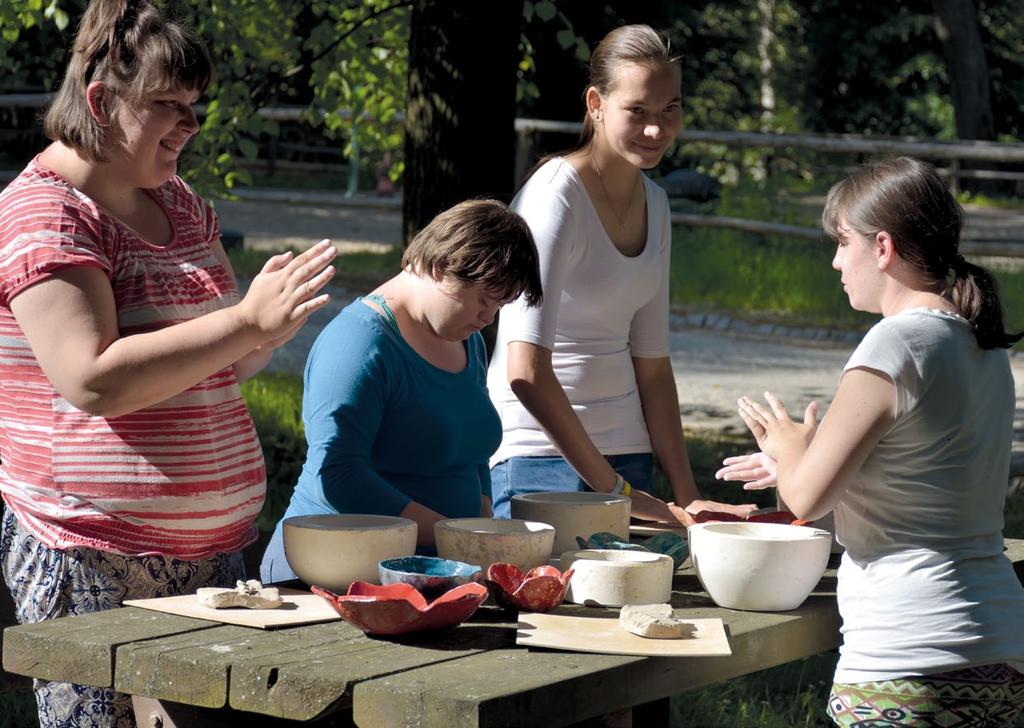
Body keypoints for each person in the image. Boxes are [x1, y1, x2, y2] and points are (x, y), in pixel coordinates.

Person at [0, 1, 336, 725]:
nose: (189, 124)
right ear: (100, 101)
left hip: (211, 555)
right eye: (168, 106)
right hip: (91, 554)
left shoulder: (179, 202)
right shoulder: (46, 212)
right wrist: (244, 321)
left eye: (195, 107)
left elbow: (223, 365)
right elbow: (91, 378)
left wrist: (265, 331)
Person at [722, 157, 1024, 726]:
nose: (836, 261)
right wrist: (797, 461)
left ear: (882, 246)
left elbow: (807, 501)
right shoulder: (981, 348)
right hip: (1000, 647)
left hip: (907, 659)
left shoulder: (894, 344)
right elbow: (915, 490)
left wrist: (792, 451)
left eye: (842, 242)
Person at [487, 24, 754, 523]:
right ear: (596, 104)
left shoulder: (657, 201)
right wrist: (617, 491)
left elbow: (652, 367)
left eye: (669, 109)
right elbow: (524, 370)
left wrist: (686, 496)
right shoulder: (554, 195)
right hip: (536, 456)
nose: (656, 130)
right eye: (637, 111)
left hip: (627, 457)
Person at [260, 199, 542, 583]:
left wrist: (481, 520)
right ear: (440, 267)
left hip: (434, 568)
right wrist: (454, 535)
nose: (488, 318)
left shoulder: (466, 339)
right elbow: (340, 475)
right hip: (336, 572)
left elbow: (472, 448)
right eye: (483, 300)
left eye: (500, 307)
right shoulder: (359, 342)